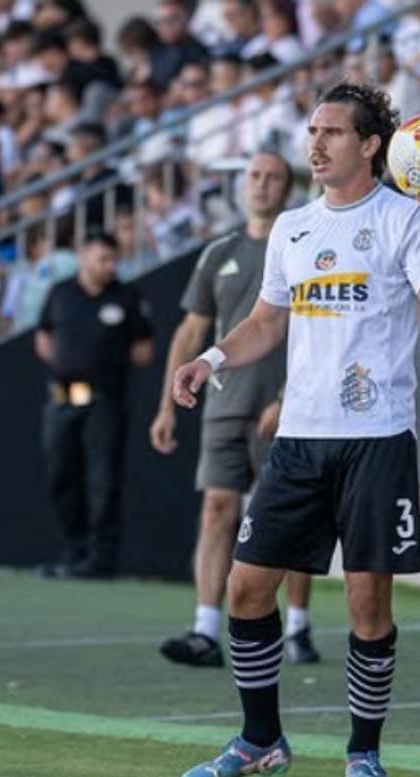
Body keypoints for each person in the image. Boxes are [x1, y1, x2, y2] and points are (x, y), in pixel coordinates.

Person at [171, 82, 420, 777]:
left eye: (332, 132)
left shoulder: (404, 217)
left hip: (377, 439)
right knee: (247, 588)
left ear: (371, 144)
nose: (316, 143)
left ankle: (363, 751)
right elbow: (266, 321)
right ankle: (259, 739)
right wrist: (210, 359)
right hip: (300, 440)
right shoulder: (292, 227)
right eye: (312, 130)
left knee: (368, 604)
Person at [151, 151, 320, 668]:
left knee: (289, 519)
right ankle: (205, 628)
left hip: (286, 408)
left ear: (287, 189)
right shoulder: (218, 251)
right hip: (224, 404)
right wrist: (166, 408)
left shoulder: (302, 243)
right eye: (254, 176)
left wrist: (288, 394)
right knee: (216, 509)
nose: (262, 184)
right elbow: (190, 332)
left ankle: (298, 626)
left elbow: (318, 326)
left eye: (273, 177)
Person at [35, 232, 155, 579]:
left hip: (104, 400)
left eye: (113, 259)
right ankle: (73, 552)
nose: (109, 266)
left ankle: (101, 558)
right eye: (103, 259)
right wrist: (65, 364)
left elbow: (144, 350)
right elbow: (43, 336)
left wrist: (104, 364)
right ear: (84, 256)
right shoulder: (61, 293)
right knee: (62, 476)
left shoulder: (127, 297)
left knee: (103, 480)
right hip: (63, 399)